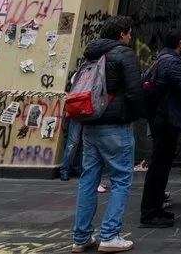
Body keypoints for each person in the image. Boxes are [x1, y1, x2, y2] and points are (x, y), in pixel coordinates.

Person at [71, 16, 144, 253]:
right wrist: (134, 115)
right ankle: (110, 235)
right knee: (121, 179)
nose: (130, 37)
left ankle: (81, 237)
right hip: (115, 125)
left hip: (90, 122)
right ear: (122, 33)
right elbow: (134, 90)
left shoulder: (91, 53)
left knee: (88, 179)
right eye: (129, 33)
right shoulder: (124, 53)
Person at [139, 30, 181, 227]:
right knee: (159, 166)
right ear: (180, 43)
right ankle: (150, 213)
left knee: (161, 165)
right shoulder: (171, 61)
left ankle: (156, 208)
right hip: (165, 118)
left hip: (162, 117)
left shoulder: (162, 58)